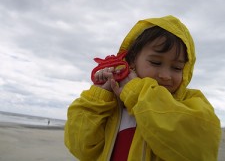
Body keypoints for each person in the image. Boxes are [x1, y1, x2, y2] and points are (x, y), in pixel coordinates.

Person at [64, 15, 221, 160]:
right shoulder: (112, 106)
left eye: (177, 68)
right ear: (131, 60)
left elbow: (199, 151)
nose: (166, 75)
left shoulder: (191, 103)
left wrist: (137, 92)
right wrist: (99, 96)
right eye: (156, 63)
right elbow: (80, 147)